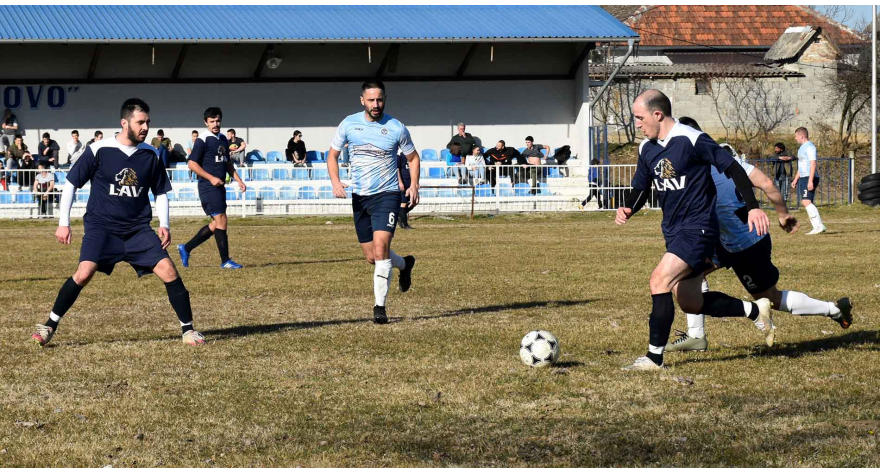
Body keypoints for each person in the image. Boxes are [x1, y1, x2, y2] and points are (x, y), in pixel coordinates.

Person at [616, 90, 773, 371]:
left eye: (639, 118)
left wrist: (752, 206)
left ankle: (654, 358)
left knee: (658, 281)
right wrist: (628, 208)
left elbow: (734, 169)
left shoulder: (692, 139)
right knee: (688, 300)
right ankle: (754, 309)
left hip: (699, 229)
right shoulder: (647, 148)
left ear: (657, 114)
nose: (637, 124)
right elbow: (641, 187)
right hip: (674, 231)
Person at [665, 117, 853, 352]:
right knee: (684, 280)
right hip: (720, 240)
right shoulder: (726, 159)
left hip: (747, 242)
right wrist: (782, 214)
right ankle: (696, 336)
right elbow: (767, 184)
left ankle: (834, 309)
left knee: (772, 299)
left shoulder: (701, 168)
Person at [30, 98, 205, 347]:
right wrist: (63, 222)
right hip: (102, 227)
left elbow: (161, 192)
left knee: (169, 271)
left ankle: (188, 330)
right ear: (125, 123)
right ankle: (49, 325)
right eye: (140, 122)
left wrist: (164, 223)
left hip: (137, 230)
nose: (145, 127)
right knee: (84, 272)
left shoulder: (150, 154)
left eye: (148, 122)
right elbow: (71, 183)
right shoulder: (99, 149)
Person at [326, 80, 419, 324]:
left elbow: (413, 157)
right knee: (372, 257)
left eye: (379, 100)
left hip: (387, 195)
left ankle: (380, 308)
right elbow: (332, 155)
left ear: (384, 99)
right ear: (362, 101)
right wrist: (336, 182)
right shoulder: (349, 124)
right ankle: (405, 264)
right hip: (360, 197)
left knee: (380, 250)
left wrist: (414, 185)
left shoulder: (396, 127)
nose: (376, 105)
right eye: (371, 100)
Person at [178, 107, 246, 270]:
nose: (215, 124)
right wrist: (211, 178)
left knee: (217, 223)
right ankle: (225, 260)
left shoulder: (223, 138)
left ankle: (185, 248)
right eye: (212, 121)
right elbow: (192, 163)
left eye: (217, 121)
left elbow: (227, 163)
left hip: (219, 185)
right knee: (221, 219)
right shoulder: (203, 139)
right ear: (205, 122)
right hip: (208, 186)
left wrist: (239, 180)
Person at [790, 127, 825, 234]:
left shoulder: (810, 147)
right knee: (805, 201)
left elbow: (812, 163)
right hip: (803, 177)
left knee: (806, 201)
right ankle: (817, 227)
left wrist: (810, 181)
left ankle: (819, 226)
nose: (795, 138)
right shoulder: (802, 148)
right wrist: (796, 179)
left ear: (801, 136)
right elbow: (802, 165)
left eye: (796, 136)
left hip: (810, 177)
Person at [397, 152, 416, 229]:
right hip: (404, 183)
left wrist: (415, 182)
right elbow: (397, 169)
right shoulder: (399, 155)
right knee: (403, 203)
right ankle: (405, 224)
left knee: (415, 201)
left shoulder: (411, 155)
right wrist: (400, 182)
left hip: (410, 183)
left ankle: (399, 214)